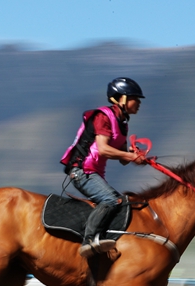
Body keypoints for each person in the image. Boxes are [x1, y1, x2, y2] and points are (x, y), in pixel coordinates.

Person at [60, 77, 148, 258]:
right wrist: (129, 155)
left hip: (95, 173)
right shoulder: (103, 116)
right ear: (122, 98)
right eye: (135, 98)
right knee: (111, 200)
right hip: (82, 171)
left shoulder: (122, 123)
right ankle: (89, 240)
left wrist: (134, 155)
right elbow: (104, 149)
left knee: (120, 202)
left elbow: (122, 157)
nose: (138, 102)